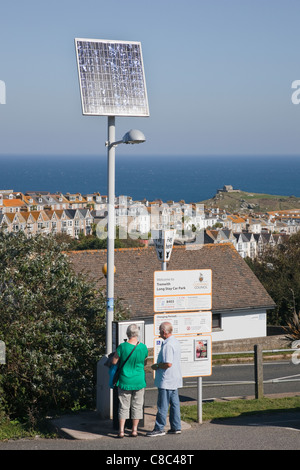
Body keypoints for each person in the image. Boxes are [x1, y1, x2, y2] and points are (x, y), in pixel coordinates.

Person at [111, 323, 148, 438]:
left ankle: (121, 431)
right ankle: (134, 430)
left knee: (123, 406)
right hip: (139, 380)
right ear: (137, 334)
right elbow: (144, 361)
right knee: (137, 405)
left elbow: (114, 362)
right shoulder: (143, 347)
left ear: (127, 333)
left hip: (125, 380)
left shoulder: (122, 347)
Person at [147, 321, 183, 437]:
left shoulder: (167, 345)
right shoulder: (175, 341)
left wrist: (156, 366)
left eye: (159, 331)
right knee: (175, 404)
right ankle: (176, 426)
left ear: (163, 332)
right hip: (174, 378)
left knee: (162, 405)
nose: (159, 333)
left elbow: (168, 363)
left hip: (167, 379)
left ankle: (159, 428)